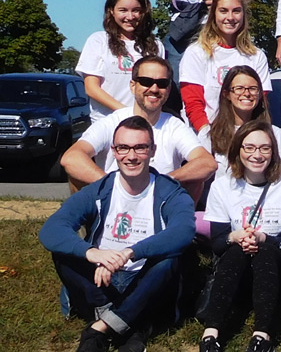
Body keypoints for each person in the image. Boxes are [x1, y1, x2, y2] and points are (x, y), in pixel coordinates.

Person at [41, 116, 196, 352]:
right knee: (63, 253)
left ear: (152, 150)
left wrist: (129, 252)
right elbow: (52, 229)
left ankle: (101, 327)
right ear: (114, 151)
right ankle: (131, 322)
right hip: (101, 280)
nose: (131, 156)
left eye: (140, 147)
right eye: (123, 148)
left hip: (144, 279)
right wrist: (92, 253)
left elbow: (183, 231)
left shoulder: (169, 191)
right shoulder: (100, 189)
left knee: (170, 260)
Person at [198, 121, 281, 352]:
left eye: (264, 148)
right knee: (237, 248)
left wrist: (262, 238)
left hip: (280, 272)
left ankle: (262, 335)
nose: (257, 155)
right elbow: (217, 245)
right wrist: (235, 236)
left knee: (265, 250)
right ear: (238, 150)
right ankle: (211, 334)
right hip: (238, 273)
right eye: (249, 148)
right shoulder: (222, 187)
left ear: (274, 152)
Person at [62, 56, 216, 200]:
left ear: (168, 90)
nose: (154, 89)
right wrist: (110, 184)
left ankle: (180, 226)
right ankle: (87, 227)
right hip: (113, 199)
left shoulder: (174, 125)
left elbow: (207, 163)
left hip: (158, 200)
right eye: (146, 81)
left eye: (162, 83)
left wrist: (164, 181)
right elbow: (71, 158)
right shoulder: (113, 121)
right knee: (75, 175)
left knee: (196, 179)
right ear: (133, 86)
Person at [180, 0, 272, 135]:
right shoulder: (196, 52)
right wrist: (207, 135)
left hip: (245, 139)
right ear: (213, 14)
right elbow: (192, 102)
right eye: (223, 11)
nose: (230, 17)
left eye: (236, 11)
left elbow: (260, 101)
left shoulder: (256, 56)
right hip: (206, 134)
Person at [78, 0, 165, 122]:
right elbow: (91, 88)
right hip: (106, 122)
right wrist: (126, 113)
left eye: (136, 10)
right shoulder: (98, 41)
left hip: (144, 125)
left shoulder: (156, 46)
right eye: (123, 10)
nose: (130, 17)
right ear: (111, 11)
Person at [202, 66, 281, 178]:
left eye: (253, 88)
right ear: (226, 94)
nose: (246, 93)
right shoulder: (209, 134)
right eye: (239, 88)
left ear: (260, 94)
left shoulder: (274, 133)